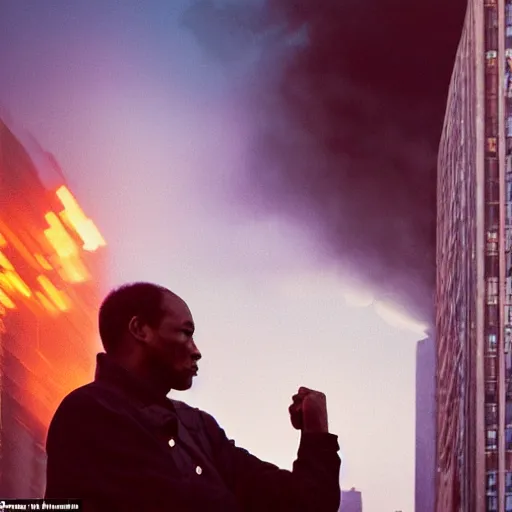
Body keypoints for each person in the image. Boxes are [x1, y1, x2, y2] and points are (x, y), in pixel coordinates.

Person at [45, 282, 341, 511]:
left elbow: (304, 504)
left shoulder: (198, 426)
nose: (196, 350)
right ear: (139, 329)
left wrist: (316, 434)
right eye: (186, 332)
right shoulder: (88, 412)